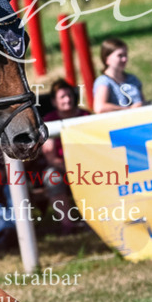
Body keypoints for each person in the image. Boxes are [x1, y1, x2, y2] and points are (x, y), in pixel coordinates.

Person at [41, 79, 91, 233]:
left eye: (69, 95)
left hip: (87, 165)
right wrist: (68, 168)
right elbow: (50, 157)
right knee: (52, 178)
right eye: (62, 97)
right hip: (60, 166)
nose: (67, 99)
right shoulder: (48, 121)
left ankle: (93, 221)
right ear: (54, 102)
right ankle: (67, 225)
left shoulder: (86, 116)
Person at [92, 37, 145, 113]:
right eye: (120, 56)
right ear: (107, 59)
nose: (124, 59)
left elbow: (143, 102)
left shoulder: (133, 79)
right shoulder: (103, 81)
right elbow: (100, 108)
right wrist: (128, 109)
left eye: (125, 55)